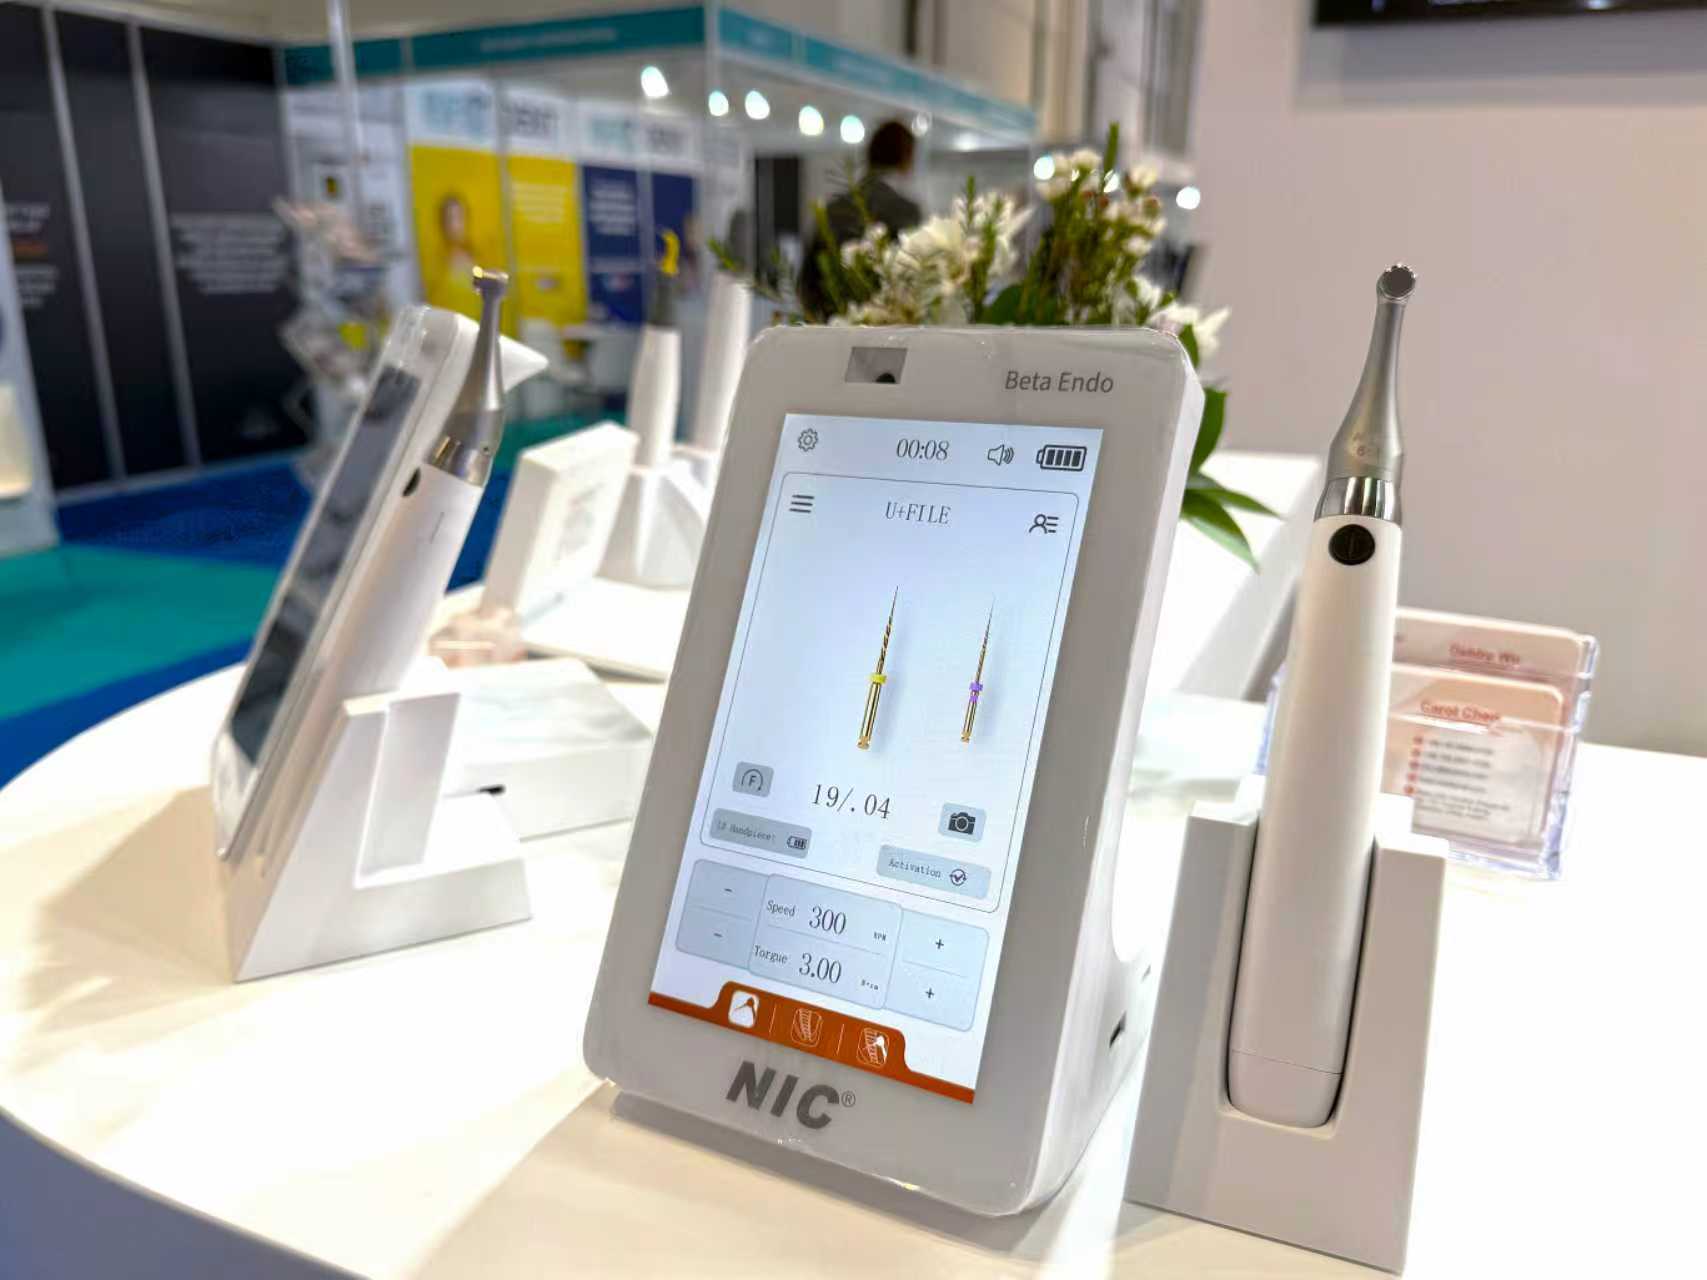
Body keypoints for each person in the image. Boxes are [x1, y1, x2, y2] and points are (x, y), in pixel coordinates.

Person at [798, 119, 922, 318]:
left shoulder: (832, 209)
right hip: (886, 326)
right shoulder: (906, 211)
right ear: (907, 157)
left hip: (832, 324)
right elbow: (911, 279)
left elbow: (807, 281)